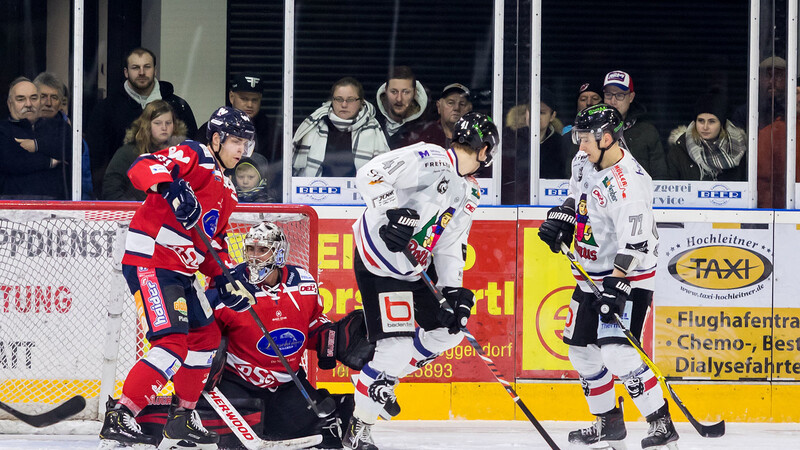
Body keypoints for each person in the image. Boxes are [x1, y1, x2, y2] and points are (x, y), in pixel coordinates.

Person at [98, 106, 256, 450]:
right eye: (235, 141)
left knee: (205, 338)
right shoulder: (196, 155)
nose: (241, 149)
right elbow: (142, 167)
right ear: (215, 139)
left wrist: (227, 278)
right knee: (172, 343)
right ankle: (121, 413)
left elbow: (212, 244)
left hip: (181, 270)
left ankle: (182, 416)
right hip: (152, 259)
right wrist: (169, 186)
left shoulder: (229, 192)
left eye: (245, 142)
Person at [344, 112, 498, 450]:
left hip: (413, 266)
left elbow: (450, 243)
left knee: (450, 331)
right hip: (378, 261)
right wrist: (390, 216)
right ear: (485, 149)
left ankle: (383, 378)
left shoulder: (469, 191)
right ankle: (359, 426)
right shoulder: (430, 158)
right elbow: (370, 174)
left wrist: (451, 289)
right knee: (395, 346)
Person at [538, 104, 678, 450]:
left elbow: (637, 242)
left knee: (618, 353)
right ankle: (608, 423)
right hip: (590, 275)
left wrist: (617, 283)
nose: (580, 146)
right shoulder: (583, 161)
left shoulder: (629, 184)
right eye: (579, 138)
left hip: (628, 276)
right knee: (582, 354)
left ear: (608, 137)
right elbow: (577, 193)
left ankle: (661, 425)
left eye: (586, 139)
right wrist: (563, 216)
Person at [197, 221, 368, 449]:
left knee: (329, 428)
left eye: (262, 249)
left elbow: (314, 322)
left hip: (288, 383)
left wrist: (330, 339)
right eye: (250, 249)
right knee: (229, 441)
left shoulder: (304, 283)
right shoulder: (230, 287)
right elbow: (204, 331)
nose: (255, 256)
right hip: (239, 383)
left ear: (278, 252)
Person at [86, 47, 197, 196]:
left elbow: (194, 153)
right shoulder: (106, 109)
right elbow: (97, 160)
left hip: (173, 203)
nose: (142, 72)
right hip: (125, 200)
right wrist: (109, 200)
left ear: (155, 70)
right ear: (126, 72)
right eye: (135, 67)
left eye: (147, 67)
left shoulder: (178, 106)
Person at [292, 77, 389, 177]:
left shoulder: (374, 127)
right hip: (316, 190)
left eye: (350, 100)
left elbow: (383, 173)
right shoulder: (316, 125)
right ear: (332, 100)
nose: (344, 104)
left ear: (361, 102)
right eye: (339, 99)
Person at [0, 77, 72, 199]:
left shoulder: (59, 126)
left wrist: (36, 145)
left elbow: (73, 148)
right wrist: (50, 161)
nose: (28, 104)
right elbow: (11, 161)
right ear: (9, 104)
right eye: (20, 99)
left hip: (58, 207)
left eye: (34, 98)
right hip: (12, 207)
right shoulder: (3, 129)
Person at [101, 100, 188, 200]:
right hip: (136, 212)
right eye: (157, 123)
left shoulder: (183, 153)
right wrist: (132, 209)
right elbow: (111, 189)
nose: (164, 128)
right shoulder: (127, 153)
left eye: (168, 123)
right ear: (146, 125)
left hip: (174, 213)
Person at [33, 71, 95, 200]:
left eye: (54, 97)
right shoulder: (20, 131)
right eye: (43, 96)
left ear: (61, 103)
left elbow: (84, 183)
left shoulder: (74, 138)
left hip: (62, 208)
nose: (48, 103)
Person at [196, 73, 282, 165]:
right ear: (231, 97)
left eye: (254, 100)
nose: (249, 104)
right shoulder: (213, 127)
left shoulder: (272, 130)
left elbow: (279, 166)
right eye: (244, 99)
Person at [502, 87, 565, 204]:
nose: (535, 116)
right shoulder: (510, 139)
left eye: (541, 112)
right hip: (512, 202)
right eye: (531, 110)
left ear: (552, 116)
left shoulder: (560, 144)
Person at [602, 70, 668, 179]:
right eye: (608, 95)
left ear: (631, 97)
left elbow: (660, 176)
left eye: (619, 95)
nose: (613, 101)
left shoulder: (647, 132)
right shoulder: (591, 131)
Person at [667, 90, 747, 181]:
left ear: (722, 124)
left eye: (711, 121)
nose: (705, 127)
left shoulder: (738, 148)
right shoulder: (680, 150)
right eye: (701, 121)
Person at [756, 86, 800, 208]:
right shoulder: (771, 132)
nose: (799, 98)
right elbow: (763, 180)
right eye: (796, 92)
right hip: (784, 213)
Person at [375, 66, 431, 149]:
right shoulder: (371, 118)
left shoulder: (427, 128)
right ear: (385, 90)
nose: (399, 99)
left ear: (414, 93)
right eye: (394, 92)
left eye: (406, 92)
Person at [409, 83, 473, 148]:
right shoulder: (424, 135)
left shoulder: (476, 137)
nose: (456, 108)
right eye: (451, 103)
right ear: (439, 106)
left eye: (462, 104)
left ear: (469, 109)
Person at [732, 56, 787, 131]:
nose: (772, 81)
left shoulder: (794, 110)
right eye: (767, 75)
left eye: (779, 75)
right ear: (758, 79)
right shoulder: (745, 112)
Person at [562, 79, 604, 165]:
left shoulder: (609, 135)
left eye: (595, 98)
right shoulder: (567, 138)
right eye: (583, 99)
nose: (589, 103)